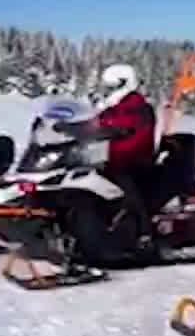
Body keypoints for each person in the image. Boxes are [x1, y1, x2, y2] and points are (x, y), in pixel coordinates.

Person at [60, 63, 157, 226]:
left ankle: (143, 232)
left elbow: (119, 124)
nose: (109, 91)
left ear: (126, 83)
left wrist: (108, 128)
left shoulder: (138, 107)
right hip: (112, 160)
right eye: (108, 87)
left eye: (113, 87)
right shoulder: (114, 108)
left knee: (125, 189)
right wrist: (69, 127)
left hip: (133, 161)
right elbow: (95, 123)